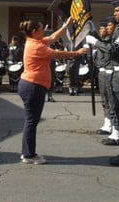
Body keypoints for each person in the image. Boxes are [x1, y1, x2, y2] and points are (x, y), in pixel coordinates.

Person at [18, 17, 87, 164]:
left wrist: (66, 26)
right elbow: (57, 54)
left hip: (31, 85)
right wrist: (77, 53)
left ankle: (27, 153)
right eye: (42, 28)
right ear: (35, 31)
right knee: (31, 121)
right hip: (33, 86)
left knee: (31, 121)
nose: (45, 31)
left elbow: (52, 37)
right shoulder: (36, 46)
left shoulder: (34, 41)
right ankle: (29, 155)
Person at [86, 0, 119, 166]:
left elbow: (113, 50)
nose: (114, 13)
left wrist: (95, 42)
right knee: (117, 109)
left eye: (117, 10)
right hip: (116, 74)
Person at [93, 17, 114, 136]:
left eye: (103, 29)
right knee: (104, 100)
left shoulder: (110, 42)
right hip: (101, 73)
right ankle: (107, 122)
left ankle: (114, 125)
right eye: (100, 29)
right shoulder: (101, 42)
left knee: (111, 100)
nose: (101, 31)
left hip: (109, 72)